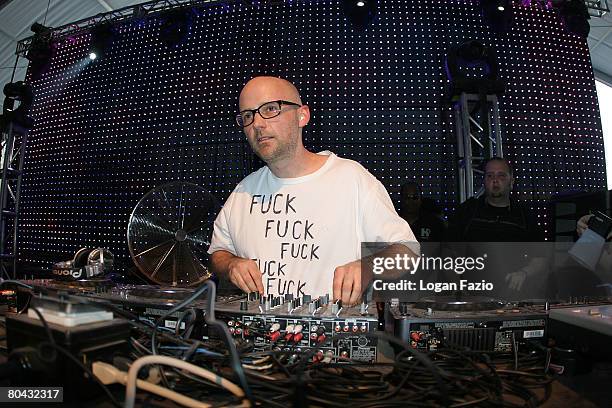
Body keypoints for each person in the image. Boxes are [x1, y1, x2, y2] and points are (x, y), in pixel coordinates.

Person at [207, 76, 418, 305]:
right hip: (257, 338)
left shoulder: (351, 178)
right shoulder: (242, 193)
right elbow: (218, 252)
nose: (257, 123)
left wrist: (367, 267)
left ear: (302, 115)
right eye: (248, 115)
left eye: (270, 109)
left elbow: (408, 253)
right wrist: (230, 264)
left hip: (336, 337)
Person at [445, 157, 547, 293]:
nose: (495, 180)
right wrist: (456, 285)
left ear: (512, 181)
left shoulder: (524, 215)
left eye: (501, 175)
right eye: (489, 175)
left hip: (513, 296)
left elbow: (540, 257)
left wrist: (524, 273)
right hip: (473, 295)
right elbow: (448, 252)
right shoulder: (467, 211)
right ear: (484, 180)